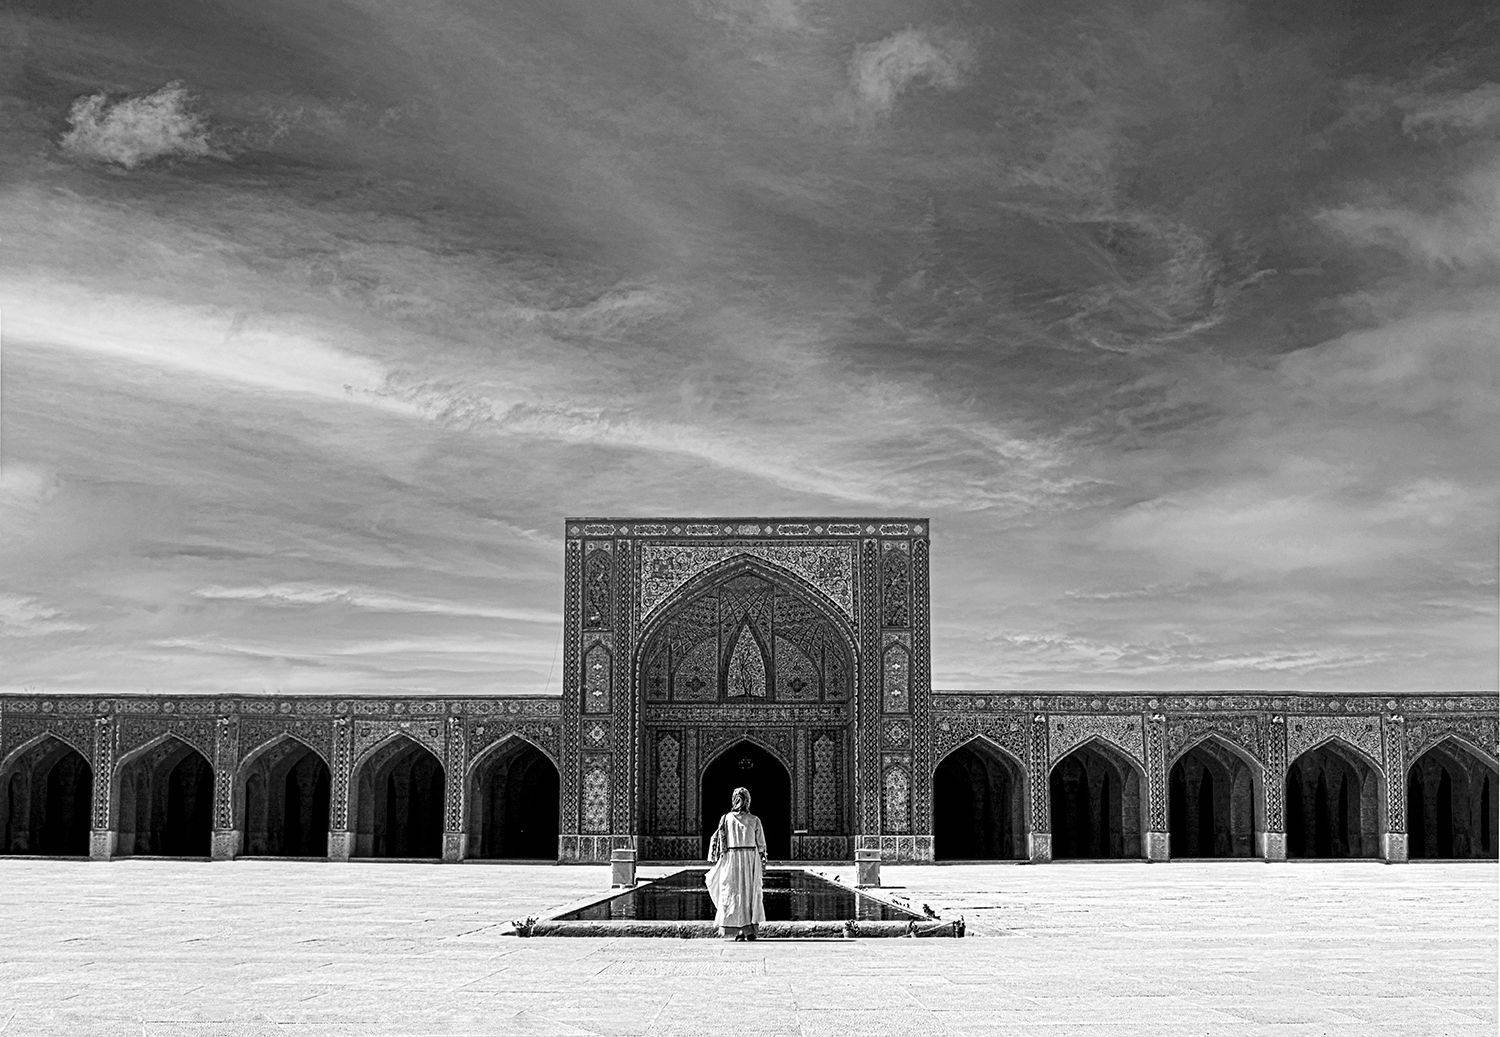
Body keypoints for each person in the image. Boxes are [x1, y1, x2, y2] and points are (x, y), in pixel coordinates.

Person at [705, 786, 767, 941]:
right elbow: (761, 845)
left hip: (731, 859)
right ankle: (749, 931)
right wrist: (762, 863)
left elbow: (720, 842)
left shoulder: (726, 819)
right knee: (748, 894)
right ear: (748, 801)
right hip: (750, 860)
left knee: (733, 894)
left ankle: (739, 931)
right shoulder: (754, 820)